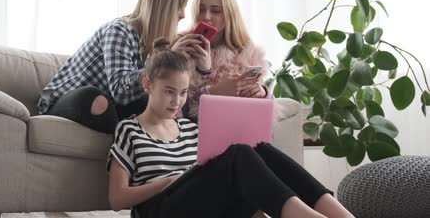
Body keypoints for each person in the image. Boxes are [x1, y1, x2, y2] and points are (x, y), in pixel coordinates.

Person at [107, 38, 354, 218]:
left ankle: (340, 214)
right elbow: (117, 199)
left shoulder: (190, 128)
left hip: (198, 205)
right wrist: (172, 179)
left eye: (183, 93)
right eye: (169, 92)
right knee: (239, 153)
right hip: (158, 209)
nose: (177, 101)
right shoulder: (130, 129)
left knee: (260, 149)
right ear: (148, 85)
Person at [36, 0, 211, 134]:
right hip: (67, 102)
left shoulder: (155, 43)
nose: (182, 14)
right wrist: (163, 62)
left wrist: (203, 69)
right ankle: (131, 143)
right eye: (180, 6)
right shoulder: (120, 30)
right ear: (163, 7)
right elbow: (121, 91)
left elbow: (168, 95)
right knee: (94, 98)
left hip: (112, 106)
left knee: (157, 108)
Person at [183, 0, 269, 120]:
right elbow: (175, 106)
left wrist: (262, 93)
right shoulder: (183, 46)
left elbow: (261, 111)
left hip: (239, 122)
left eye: (216, 11)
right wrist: (212, 93)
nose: (206, 16)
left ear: (230, 14)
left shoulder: (246, 50)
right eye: (201, 9)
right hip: (195, 127)